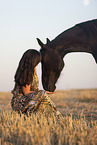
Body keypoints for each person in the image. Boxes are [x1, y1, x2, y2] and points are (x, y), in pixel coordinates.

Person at [11, 49, 60, 116]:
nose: (37, 64)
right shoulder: (26, 73)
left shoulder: (33, 70)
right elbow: (26, 93)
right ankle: (55, 114)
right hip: (20, 102)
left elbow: (34, 92)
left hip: (29, 99)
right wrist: (43, 93)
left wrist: (46, 92)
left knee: (43, 96)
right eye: (37, 61)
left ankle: (51, 114)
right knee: (42, 93)